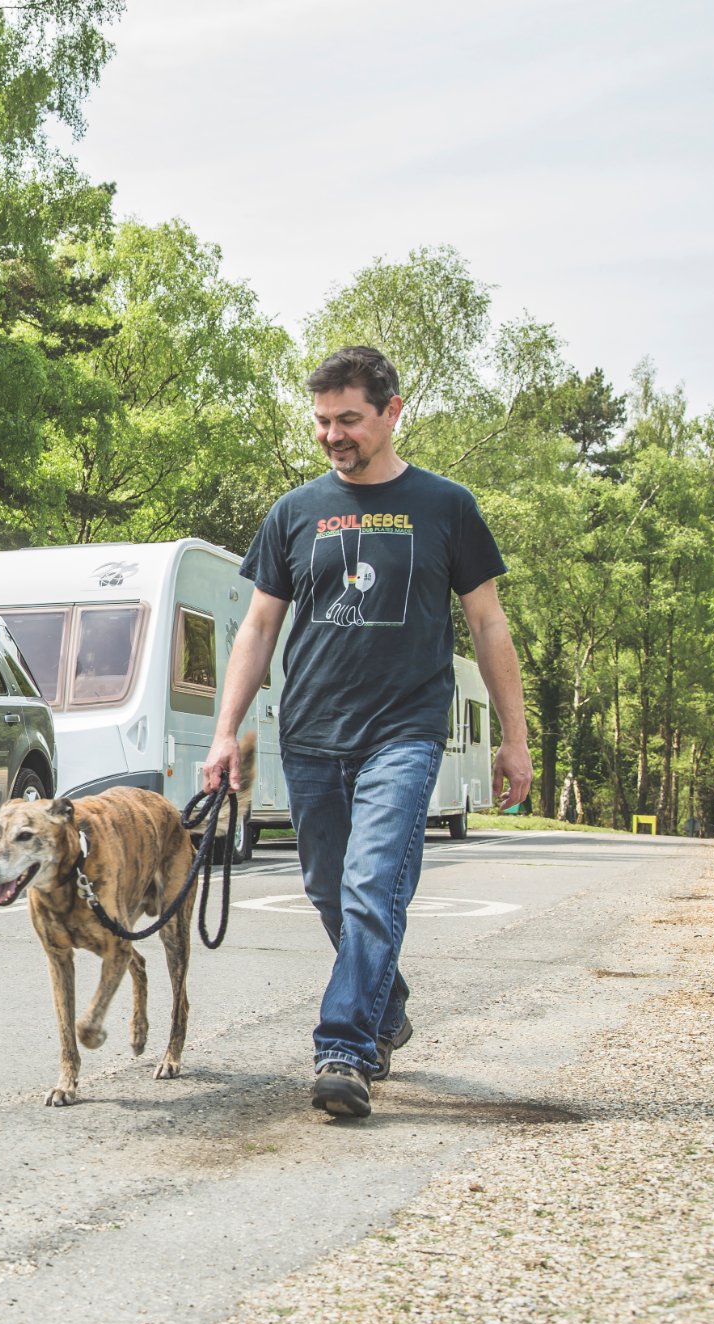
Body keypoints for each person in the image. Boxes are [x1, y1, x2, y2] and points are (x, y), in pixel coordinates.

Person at [202, 345, 532, 1121]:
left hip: (405, 732)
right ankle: (386, 1007)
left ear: (392, 412)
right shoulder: (294, 512)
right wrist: (225, 731)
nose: (333, 435)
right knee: (327, 889)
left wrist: (513, 737)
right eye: (322, 421)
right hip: (312, 732)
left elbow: (488, 624)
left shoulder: (446, 505)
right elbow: (256, 628)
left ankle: (345, 1044)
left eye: (348, 419)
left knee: (372, 883)